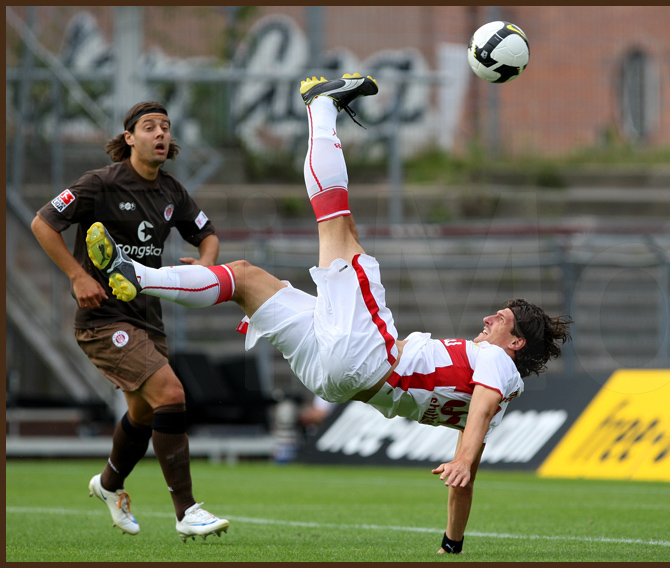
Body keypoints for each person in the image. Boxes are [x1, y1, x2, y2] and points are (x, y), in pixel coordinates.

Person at [82, 75, 572, 554]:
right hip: (337, 375)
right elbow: (467, 473)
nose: (489, 319)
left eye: (502, 320)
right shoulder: (496, 387)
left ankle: (319, 104)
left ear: (517, 344)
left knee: (336, 220)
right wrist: (453, 543)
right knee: (248, 278)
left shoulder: (499, 368)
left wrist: (462, 458)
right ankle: (136, 274)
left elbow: (482, 406)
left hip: (368, 355)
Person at [30, 101, 230, 542]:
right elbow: (43, 223)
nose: (160, 133)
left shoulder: (172, 192)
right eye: (149, 127)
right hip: (102, 319)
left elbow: (207, 233)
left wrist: (205, 266)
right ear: (129, 138)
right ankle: (187, 511)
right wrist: (78, 275)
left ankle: (108, 485)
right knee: (172, 393)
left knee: (142, 413)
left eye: (165, 127)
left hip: (146, 318)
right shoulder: (98, 184)